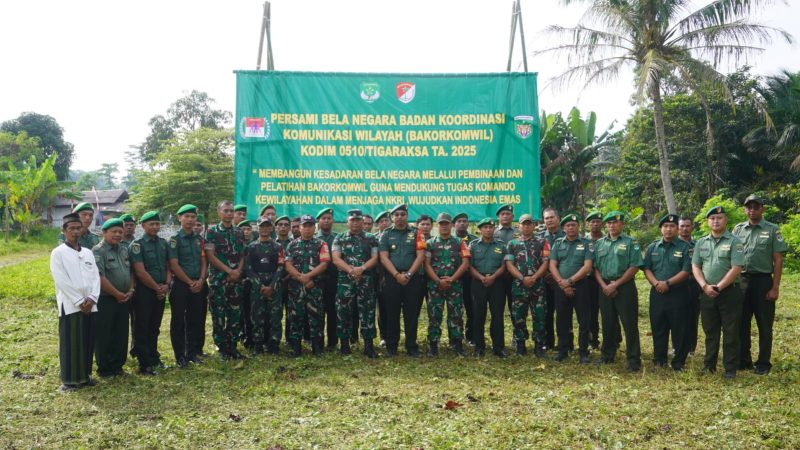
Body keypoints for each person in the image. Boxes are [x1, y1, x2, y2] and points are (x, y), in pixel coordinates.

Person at [733, 195, 787, 375]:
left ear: (762, 209)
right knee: (741, 322)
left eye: (756, 207)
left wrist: (775, 287)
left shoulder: (772, 230)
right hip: (741, 281)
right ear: (744, 210)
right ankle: (744, 360)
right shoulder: (738, 229)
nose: (752, 210)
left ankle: (763, 363)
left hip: (763, 281)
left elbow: (778, 260)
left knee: (764, 324)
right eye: (749, 207)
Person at [692, 206, 745, 379]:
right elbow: (696, 266)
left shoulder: (734, 241)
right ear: (708, 221)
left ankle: (730, 368)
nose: (716, 221)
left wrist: (719, 287)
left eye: (719, 218)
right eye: (712, 218)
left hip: (729, 292)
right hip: (706, 292)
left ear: (726, 220)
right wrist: (704, 286)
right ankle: (709, 365)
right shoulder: (701, 242)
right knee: (710, 331)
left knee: (730, 332)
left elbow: (737, 267)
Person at [50, 212, 100, 391]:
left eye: (78, 228)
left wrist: (92, 298)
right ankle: (70, 380)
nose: (76, 232)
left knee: (87, 340)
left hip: (90, 305)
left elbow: (96, 277)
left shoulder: (87, 253)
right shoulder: (58, 253)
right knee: (71, 343)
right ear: (64, 231)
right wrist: (79, 300)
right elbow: (61, 279)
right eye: (71, 229)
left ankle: (85, 376)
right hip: (71, 305)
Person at [594, 211, 644, 372]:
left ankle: (633, 359)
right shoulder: (600, 243)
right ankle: (607, 355)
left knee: (629, 324)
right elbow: (595, 268)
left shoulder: (631, 242)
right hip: (604, 287)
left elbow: (635, 266)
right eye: (609, 223)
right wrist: (604, 286)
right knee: (607, 322)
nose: (612, 225)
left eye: (615, 223)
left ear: (621, 224)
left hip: (624, 286)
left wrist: (616, 285)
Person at [643, 214, 692, 371]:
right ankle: (659, 360)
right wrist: (657, 283)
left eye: (672, 226)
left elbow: (686, 271)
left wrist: (668, 283)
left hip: (678, 293)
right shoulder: (652, 247)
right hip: (657, 293)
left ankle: (678, 362)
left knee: (680, 328)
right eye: (665, 226)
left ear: (677, 229)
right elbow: (647, 268)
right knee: (658, 327)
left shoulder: (685, 247)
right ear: (660, 229)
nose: (668, 229)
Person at [378, 204, 426, 357]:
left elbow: (420, 256)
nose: (399, 217)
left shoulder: (417, 233)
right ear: (392, 217)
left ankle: (411, 346)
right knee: (392, 312)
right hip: (393, 279)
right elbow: (384, 257)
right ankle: (392, 346)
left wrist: (409, 274)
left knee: (411, 313)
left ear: (407, 216)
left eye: (402, 214)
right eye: (396, 215)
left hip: (412, 279)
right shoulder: (385, 234)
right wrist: (396, 275)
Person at [331, 209, 380, 357]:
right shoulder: (339, 238)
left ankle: (368, 346)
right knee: (343, 311)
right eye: (352, 220)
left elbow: (375, 258)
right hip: (345, 281)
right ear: (347, 222)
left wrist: (362, 268)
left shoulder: (371, 238)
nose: (355, 223)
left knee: (368, 312)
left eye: (358, 220)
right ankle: (344, 345)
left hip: (365, 281)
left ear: (362, 222)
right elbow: (336, 258)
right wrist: (351, 271)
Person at [549, 212, 595, 363]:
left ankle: (583, 352)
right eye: (568, 225)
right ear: (563, 228)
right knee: (562, 319)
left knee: (584, 320)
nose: (571, 228)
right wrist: (562, 283)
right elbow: (552, 265)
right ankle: (563, 349)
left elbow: (587, 266)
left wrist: (570, 281)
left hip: (581, 286)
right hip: (560, 287)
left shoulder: (587, 243)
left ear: (578, 226)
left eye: (573, 225)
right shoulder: (557, 244)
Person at [424, 213, 471, 357]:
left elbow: (465, 263)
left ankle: (457, 344)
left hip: (454, 285)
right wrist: (438, 281)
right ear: (437, 226)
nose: (444, 226)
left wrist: (452, 279)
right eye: (441, 224)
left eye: (447, 224)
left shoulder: (460, 242)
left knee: (456, 315)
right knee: (434, 315)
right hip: (435, 286)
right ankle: (433, 345)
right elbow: (426, 264)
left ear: (451, 225)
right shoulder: (430, 243)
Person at [129, 211, 171, 375]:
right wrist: (157, 288)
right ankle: (144, 363)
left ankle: (154, 358)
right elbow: (140, 272)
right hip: (144, 292)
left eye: (157, 224)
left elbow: (169, 266)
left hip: (160, 290)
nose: (155, 227)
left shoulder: (163, 243)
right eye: (151, 224)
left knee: (155, 327)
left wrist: (166, 285)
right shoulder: (137, 245)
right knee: (142, 327)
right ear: (143, 226)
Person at [93, 218, 135, 377]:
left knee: (121, 333)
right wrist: (117, 294)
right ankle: (104, 368)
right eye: (114, 232)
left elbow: (131, 272)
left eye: (120, 231)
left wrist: (131, 289)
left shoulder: (124, 249)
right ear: (104, 233)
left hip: (124, 298)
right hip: (106, 299)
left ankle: (118, 365)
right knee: (105, 333)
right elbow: (99, 277)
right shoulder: (98, 251)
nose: (118, 234)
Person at [205, 200, 247, 360]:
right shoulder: (211, 232)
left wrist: (238, 271)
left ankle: (233, 347)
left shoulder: (238, 232)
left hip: (235, 281)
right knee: (219, 315)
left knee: (235, 315)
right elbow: (210, 256)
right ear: (219, 212)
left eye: (231, 211)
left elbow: (242, 254)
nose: (229, 214)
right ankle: (222, 348)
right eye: (226, 211)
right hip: (219, 281)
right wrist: (229, 271)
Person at [284, 215, 331, 357]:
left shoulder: (321, 244)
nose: (307, 228)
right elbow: (287, 264)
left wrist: (309, 277)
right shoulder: (292, 244)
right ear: (299, 227)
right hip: (296, 288)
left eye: (310, 225)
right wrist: (301, 278)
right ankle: (296, 348)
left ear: (314, 227)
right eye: (304, 225)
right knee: (295, 316)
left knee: (316, 316)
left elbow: (324, 263)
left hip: (314, 286)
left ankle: (317, 348)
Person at [505, 214, 551, 357]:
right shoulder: (512, 244)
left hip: (538, 286)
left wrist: (535, 277)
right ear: (518, 226)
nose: (526, 226)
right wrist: (522, 278)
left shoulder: (542, 242)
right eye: (523, 224)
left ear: (534, 226)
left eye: (529, 224)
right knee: (518, 316)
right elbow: (509, 265)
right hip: (519, 286)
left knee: (540, 316)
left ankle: (539, 345)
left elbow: (546, 262)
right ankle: (520, 344)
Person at [168, 204, 207, 367]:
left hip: (198, 284)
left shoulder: (199, 240)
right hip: (181, 285)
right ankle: (180, 356)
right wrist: (190, 282)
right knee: (178, 321)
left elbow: (204, 261)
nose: (190, 220)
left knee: (195, 319)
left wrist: (201, 280)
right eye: (187, 216)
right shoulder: (174, 240)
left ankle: (191, 353)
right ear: (180, 218)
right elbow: (174, 264)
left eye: (193, 217)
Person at [244, 217, 285, 355]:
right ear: (258, 228)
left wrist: (272, 285)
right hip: (257, 287)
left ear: (272, 228)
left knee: (275, 317)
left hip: (274, 286)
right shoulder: (251, 247)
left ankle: (274, 344)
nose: (265, 229)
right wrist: (260, 285)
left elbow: (281, 267)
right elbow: (248, 268)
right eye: (262, 226)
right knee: (257, 316)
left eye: (268, 226)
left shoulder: (277, 247)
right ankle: (258, 345)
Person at [468, 218, 507, 357]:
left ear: (494, 229)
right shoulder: (472, 245)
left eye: (491, 227)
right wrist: (481, 277)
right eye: (485, 227)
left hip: (496, 282)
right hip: (478, 282)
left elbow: (504, 265)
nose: (488, 230)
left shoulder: (501, 246)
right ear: (480, 229)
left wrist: (493, 277)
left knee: (497, 315)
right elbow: (469, 265)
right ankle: (479, 347)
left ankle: (498, 347)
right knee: (479, 314)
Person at [538, 207, 565, 351]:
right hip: (545, 280)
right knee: (546, 312)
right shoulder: (540, 238)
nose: (549, 220)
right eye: (546, 218)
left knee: (563, 313)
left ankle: (565, 343)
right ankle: (548, 342)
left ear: (558, 218)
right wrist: (546, 273)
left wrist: (558, 276)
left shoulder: (566, 235)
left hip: (562, 280)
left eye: (551, 217)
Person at [315, 208, 339, 349]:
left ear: (333, 221)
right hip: (317, 281)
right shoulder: (314, 238)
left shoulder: (338, 238)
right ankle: (317, 342)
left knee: (332, 311)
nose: (326, 220)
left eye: (329, 218)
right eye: (323, 218)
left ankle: (332, 342)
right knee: (317, 312)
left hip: (333, 280)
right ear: (318, 221)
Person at [453, 212, 478, 346]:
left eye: (464, 221)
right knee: (455, 309)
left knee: (471, 307)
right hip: (453, 278)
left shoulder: (474, 240)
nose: (462, 223)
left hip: (470, 278)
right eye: (459, 221)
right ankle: (456, 335)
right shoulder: (449, 239)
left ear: (468, 224)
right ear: (454, 224)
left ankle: (471, 336)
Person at [678, 216, 701, 355]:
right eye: (682, 226)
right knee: (678, 317)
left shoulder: (698, 245)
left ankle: (691, 348)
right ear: (678, 228)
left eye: (687, 226)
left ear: (692, 227)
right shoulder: (673, 244)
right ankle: (677, 346)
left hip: (694, 285)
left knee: (693, 316)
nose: (685, 229)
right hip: (677, 285)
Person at [493, 204, 518, 326]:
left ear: (513, 216)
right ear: (498, 217)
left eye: (508, 214)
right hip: (498, 276)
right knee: (498, 307)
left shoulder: (519, 232)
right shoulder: (493, 232)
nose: (505, 216)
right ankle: (499, 337)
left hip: (515, 276)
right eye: (503, 214)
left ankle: (517, 335)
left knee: (516, 307)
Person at [585, 211, 604, 349]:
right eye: (592, 222)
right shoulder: (583, 240)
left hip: (606, 280)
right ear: (588, 224)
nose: (595, 224)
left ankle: (614, 340)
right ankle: (593, 340)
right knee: (591, 311)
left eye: (597, 221)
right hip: (589, 281)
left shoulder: (608, 239)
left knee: (609, 311)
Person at [119, 213, 137, 360]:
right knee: (121, 323)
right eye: (126, 225)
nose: (129, 228)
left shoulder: (138, 243)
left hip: (138, 288)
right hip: (121, 289)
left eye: (132, 225)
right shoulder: (117, 244)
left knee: (138, 321)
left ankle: (135, 350)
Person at [374, 210, 391, 346]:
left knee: (392, 308)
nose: (385, 223)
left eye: (387, 221)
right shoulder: (373, 239)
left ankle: (393, 335)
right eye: (382, 221)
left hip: (392, 276)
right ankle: (384, 336)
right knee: (382, 309)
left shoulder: (394, 236)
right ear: (378, 224)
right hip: (378, 278)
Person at [237, 220, 255, 350]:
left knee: (251, 311)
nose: (246, 231)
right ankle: (240, 335)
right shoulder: (236, 245)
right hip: (237, 282)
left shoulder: (255, 245)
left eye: (248, 229)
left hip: (252, 283)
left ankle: (250, 337)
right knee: (239, 312)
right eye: (243, 229)